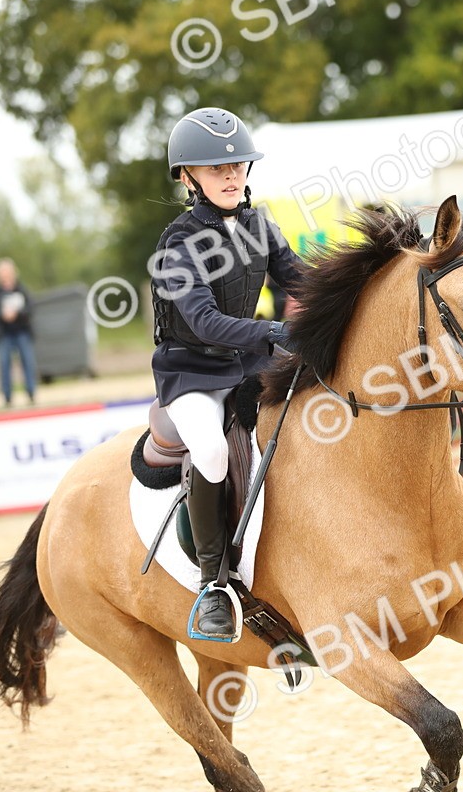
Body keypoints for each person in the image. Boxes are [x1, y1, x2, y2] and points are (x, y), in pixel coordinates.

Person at [151, 107, 304, 639]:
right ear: (188, 177)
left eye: (238, 164)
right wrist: (275, 333)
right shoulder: (176, 246)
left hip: (249, 362)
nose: (232, 175)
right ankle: (212, 583)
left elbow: (300, 282)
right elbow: (205, 322)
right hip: (190, 371)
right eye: (217, 168)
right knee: (213, 450)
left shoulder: (261, 224)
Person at [0, 258, 37, 407]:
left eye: (7, 272)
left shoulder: (22, 289)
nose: (5, 275)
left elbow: (31, 308)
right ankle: (7, 397)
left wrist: (17, 314)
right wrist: (2, 314)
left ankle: (31, 393)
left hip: (22, 332)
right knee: (4, 365)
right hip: (4, 335)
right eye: (2, 272)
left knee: (27, 362)